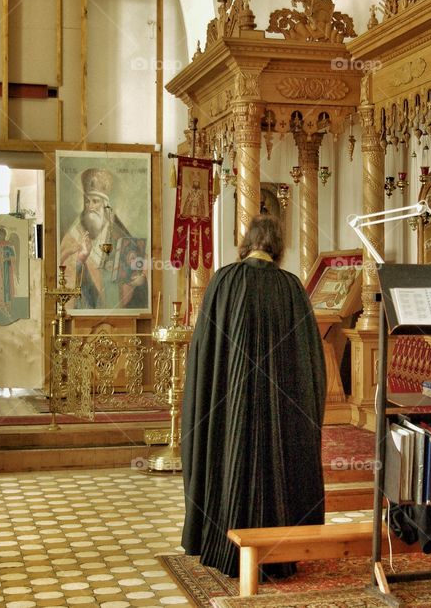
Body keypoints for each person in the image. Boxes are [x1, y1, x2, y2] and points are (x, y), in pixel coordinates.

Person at [181, 214, 327, 578]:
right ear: (278, 247)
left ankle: (223, 546)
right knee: (275, 468)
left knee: (229, 460)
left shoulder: (223, 282)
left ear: (246, 243)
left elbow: (203, 354)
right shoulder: (291, 288)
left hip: (228, 407)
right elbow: (310, 361)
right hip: (280, 410)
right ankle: (280, 550)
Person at [57, 167, 147, 310]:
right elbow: (63, 268)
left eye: (95, 201)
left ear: (106, 205)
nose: (90, 206)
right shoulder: (73, 235)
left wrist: (137, 279)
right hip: (84, 308)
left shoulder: (119, 235)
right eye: (87, 201)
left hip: (115, 310)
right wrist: (80, 260)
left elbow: (136, 271)